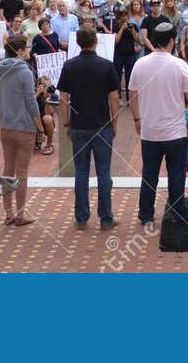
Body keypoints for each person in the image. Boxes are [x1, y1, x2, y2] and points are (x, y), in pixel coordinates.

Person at [129, 21, 188, 228]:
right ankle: (179, 213)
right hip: (175, 132)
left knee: (149, 174)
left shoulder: (140, 64)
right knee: (176, 174)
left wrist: (137, 119)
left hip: (150, 130)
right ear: (172, 41)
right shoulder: (179, 64)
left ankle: (146, 214)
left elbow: (132, 94)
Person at [57, 26, 121, 230]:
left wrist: (66, 122)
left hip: (79, 124)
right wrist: (114, 122)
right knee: (104, 172)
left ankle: (81, 217)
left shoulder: (69, 65)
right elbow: (114, 97)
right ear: (96, 41)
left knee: (81, 172)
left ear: (78, 43)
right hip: (102, 124)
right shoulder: (107, 65)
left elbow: (63, 98)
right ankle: (106, 217)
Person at [0, 35, 43, 226]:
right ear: (20, 50)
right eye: (27, 48)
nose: (29, 50)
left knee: (8, 169)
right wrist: (39, 127)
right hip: (24, 126)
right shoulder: (25, 72)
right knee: (22, 172)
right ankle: (20, 214)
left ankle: (8, 213)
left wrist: (2, 116)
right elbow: (31, 102)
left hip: (6, 125)